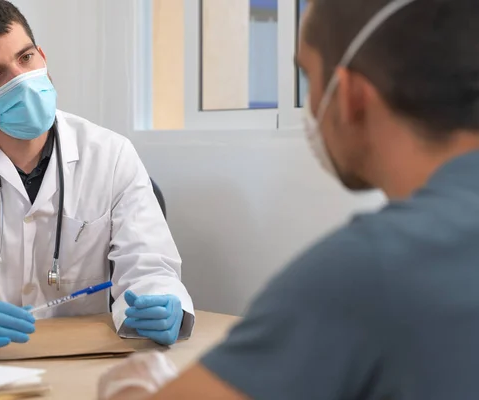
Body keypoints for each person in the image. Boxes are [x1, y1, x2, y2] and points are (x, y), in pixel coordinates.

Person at [98, 0, 479, 398]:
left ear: (350, 96)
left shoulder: (366, 272)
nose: (311, 106)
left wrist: (136, 390)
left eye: (308, 78)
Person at [0, 0, 194, 353]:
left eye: (25, 58)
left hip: (86, 362)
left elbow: (150, 267)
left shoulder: (111, 154)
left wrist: (161, 305)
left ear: (41, 55)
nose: (22, 82)